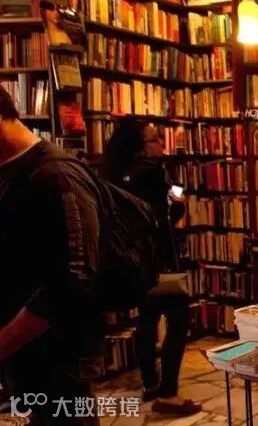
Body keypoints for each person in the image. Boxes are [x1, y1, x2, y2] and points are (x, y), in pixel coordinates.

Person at [0, 86, 103, 425]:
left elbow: (72, 283)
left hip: (59, 364)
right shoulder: (11, 172)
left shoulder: (57, 175)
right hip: (23, 359)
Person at [102, 119, 200, 416]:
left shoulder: (115, 175)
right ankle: (169, 393)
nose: (161, 144)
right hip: (161, 263)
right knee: (179, 320)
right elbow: (161, 220)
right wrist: (179, 204)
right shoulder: (152, 174)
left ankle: (150, 383)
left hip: (136, 264)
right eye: (155, 139)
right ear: (140, 148)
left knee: (146, 320)